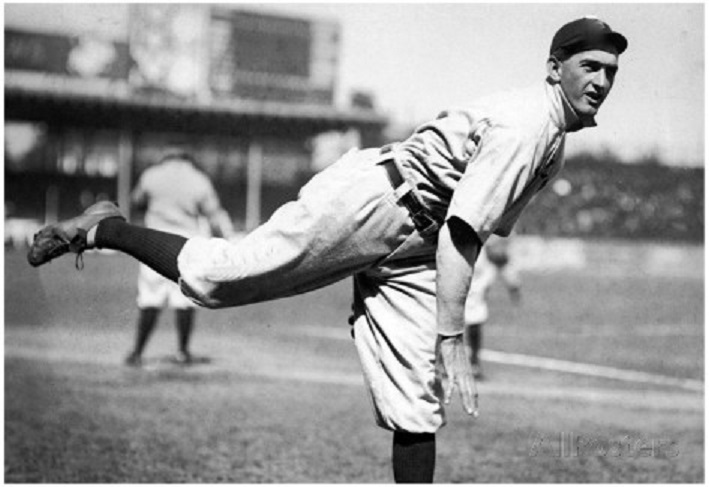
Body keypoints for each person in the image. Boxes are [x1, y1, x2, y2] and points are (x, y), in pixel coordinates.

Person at [27, 17, 626, 483]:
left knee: (418, 403)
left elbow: (477, 230)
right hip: (378, 200)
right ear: (555, 68)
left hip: (418, 241)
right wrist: (452, 338)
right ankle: (104, 227)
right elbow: (464, 234)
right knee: (219, 280)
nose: (600, 81)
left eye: (610, 72)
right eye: (590, 66)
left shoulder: (552, 141)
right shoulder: (527, 127)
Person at [125, 151, 235, 367]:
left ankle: (137, 352)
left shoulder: (151, 175)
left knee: (150, 298)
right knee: (184, 300)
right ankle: (183, 352)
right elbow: (213, 214)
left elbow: (136, 201)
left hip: (153, 243)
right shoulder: (199, 179)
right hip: (185, 244)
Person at [464, 235, 521, 380]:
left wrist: (513, 288)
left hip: (475, 293)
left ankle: (474, 364)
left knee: (474, 324)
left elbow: (503, 262)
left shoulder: (492, 256)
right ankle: (441, 363)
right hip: (458, 285)